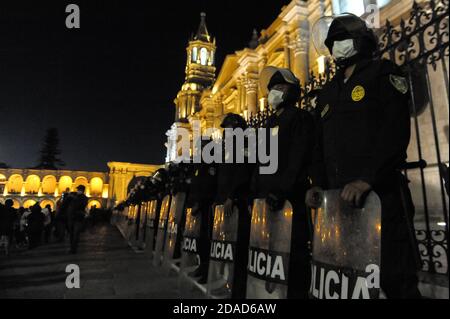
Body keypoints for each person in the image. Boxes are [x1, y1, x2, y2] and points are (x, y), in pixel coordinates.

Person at [308, 14, 421, 299]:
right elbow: (319, 145)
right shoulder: (327, 92)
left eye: (342, 40)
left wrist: (367, 179)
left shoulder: (382, 73)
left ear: (361, 42)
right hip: (338, 205)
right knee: (348, 282)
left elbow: (394, 133)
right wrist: (317, 183)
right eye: (332, 42)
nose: (336, 47)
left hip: (380, 198)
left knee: (397, 283)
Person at [251, 67, 315, 299]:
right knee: (269, 252)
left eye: (279, 88)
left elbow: (298, 158)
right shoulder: (267, 124)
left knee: (294, 252)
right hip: (265, 199)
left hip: (290, 198)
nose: (273, 93)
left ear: (292, 92)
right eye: (271, 89)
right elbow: (259, 162)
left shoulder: (300, 118)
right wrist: (255, 194)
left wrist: (282, 190)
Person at [213, 113, 254, 298]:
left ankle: (238, 290)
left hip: (237, 203)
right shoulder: (226, 148)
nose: (226, 132)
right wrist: (219, 199)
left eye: (229, 128)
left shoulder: (245, 144)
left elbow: (243, 173)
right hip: (225, 203)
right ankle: (228, 283)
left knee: (238, 250)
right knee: (227, 248)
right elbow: (223, 176)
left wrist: (232, 197)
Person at [186, 141, 218, 285]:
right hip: (198, 207)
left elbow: (209, 185)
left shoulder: (212, 163)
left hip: (206, 207)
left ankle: (207, 271)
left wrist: (199, 202)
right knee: (199, 240)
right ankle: (201, 267)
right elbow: (195, 186)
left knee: (206, 240)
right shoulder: (199, 165)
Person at [67, 185, 88, 254]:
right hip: (72, 218)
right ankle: (71, 247)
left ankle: (74, 249)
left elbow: (80, 206)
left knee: (76, 234)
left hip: (78, 218)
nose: (78, 191)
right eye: (78, 189)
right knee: (71, 234)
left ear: (82, 190)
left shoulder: (84, 198)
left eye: (79, 190)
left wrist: (75, 198)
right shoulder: (75, 196)